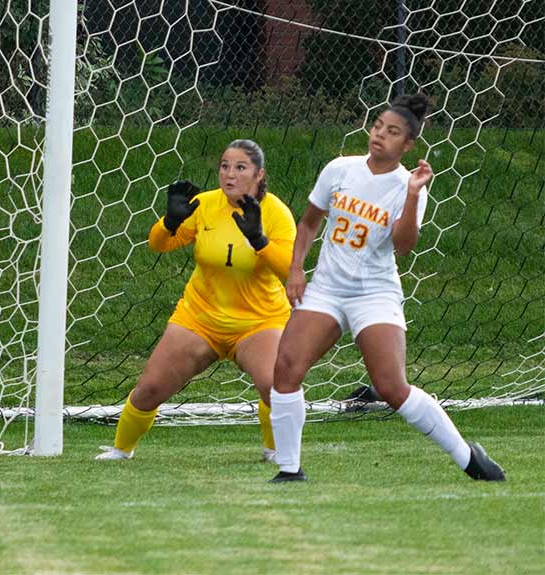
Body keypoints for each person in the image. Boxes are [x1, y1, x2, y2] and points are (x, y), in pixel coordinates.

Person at [268, 93, 505, 482]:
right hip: (326, 289)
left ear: (408, 145)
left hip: (374, 294)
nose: (380, 135)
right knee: (287, 368)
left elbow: (403, 246)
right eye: (378, 126)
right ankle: (289, 471)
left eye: (392, 132)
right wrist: (296, 269)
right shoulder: (339, 169)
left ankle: (467, 456)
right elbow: (309, 222)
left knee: (391, 387)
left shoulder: (407, 185)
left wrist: (412, 195)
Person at [95, 140, 296, 461]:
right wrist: (170, 222)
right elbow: (158, 245)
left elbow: (289, 268)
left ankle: (274, 450)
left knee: (276, 384)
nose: (229, 174)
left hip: (260, 321)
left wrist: (259, 239)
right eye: (224, 166)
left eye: (240, 167)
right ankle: (122, 449)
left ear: (259, 175)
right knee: (149, 390)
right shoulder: (205, 204)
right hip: (199, 318)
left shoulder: (275, 213)